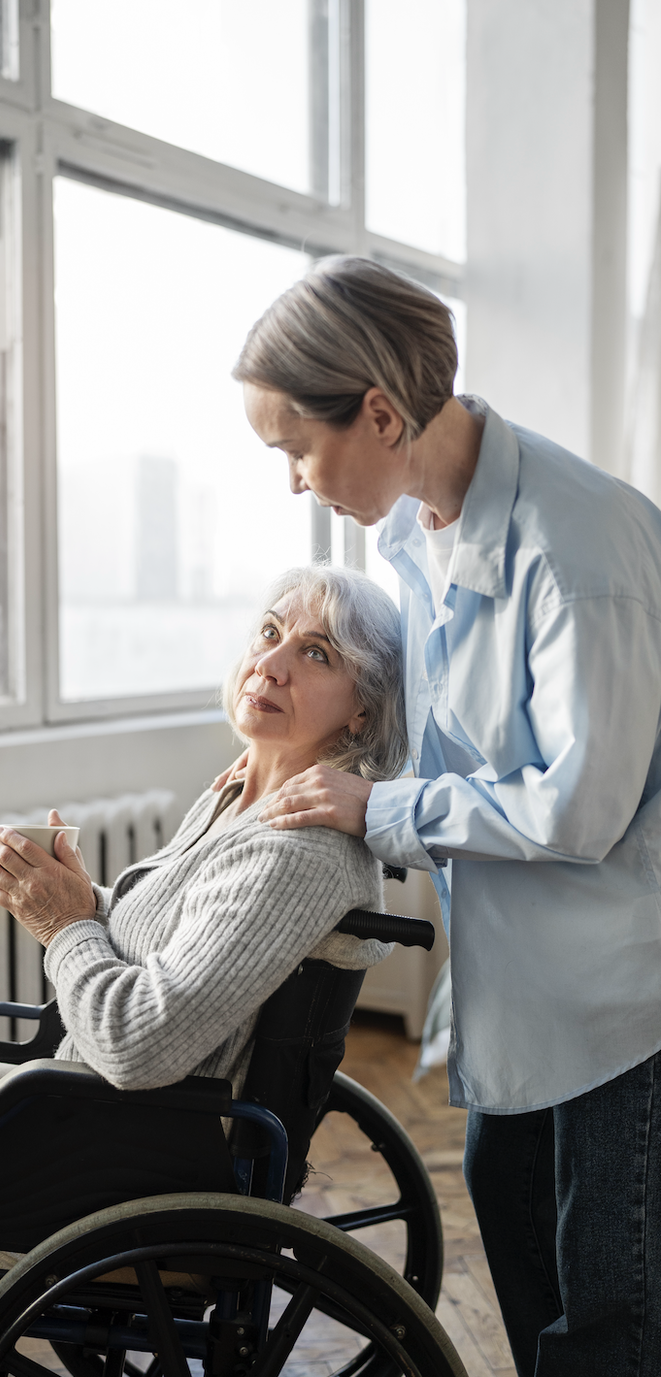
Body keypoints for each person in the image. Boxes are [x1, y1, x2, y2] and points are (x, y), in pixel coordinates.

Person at [0, 563, 406, 1377]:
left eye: (316, 653)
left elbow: (138, 1044)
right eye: (271, 631)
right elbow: (175, 948)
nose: (271, 662)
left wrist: (60, 920)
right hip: (106, 1118)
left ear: (364, 709)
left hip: (134, 1157)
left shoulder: (298, 849)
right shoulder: (242, 795)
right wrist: (69, 893)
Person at [226, 254, 661, 1377]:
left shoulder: (579, 549)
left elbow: (583, 804)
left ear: (378, 412)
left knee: (608, 1307)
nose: (293, 482)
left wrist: (382, 808)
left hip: (624, 987)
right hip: (515, 967)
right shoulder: (410, 533)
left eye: (296, 448)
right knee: (514, 1242)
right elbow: (437, 732)